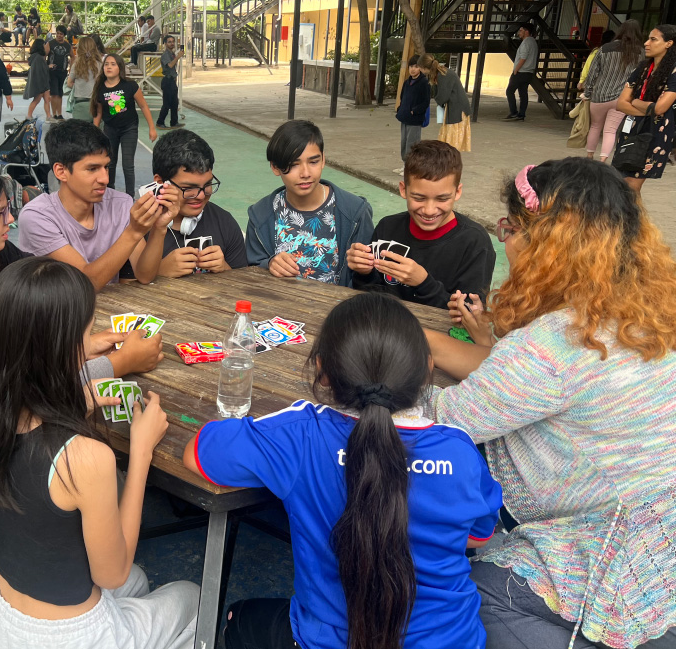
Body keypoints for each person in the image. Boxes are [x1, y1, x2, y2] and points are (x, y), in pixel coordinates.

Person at [425, 158, 676, 649]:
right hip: (661, 526)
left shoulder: (555, 342)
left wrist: (381, 364)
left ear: (548, 247)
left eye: (512, 228)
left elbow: (445, 420)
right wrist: (427, 341)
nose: (505, 240)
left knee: (463, 603)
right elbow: (511, 383)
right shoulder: (645, 312)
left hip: (613, 553)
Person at [183, 291, 502, 649]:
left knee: (237, 618)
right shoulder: (459, 450)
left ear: (322, 372)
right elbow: (478, 536)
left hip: (327, 640)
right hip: (452, 641)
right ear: (427, 370)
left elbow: (199, 455)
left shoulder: (302, 434)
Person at [0, 257, 199, 649]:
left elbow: (26, 422)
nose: (91, 347)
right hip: (74, 636)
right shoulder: (84, 458)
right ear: (61, 348)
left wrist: (80, 398)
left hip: (4, 617)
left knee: (140, 581)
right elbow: (112, 574)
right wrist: (140, 453)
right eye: (86, 335)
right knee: (190, 596)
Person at [0, 161, 163, 375]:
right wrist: (119, 362)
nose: (10, 220)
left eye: (8, 209)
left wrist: (82, 346)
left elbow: (61, 283)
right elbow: (24, 367)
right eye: (0, 212)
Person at [17, 119, 176, 291]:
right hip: (54, 313)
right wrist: (134, 232)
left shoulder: (120, 204)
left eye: (106, 167)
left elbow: (144, 276)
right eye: (92, 169)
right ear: (61, 171)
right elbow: (86, 283)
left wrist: (160, 228)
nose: (105, 179)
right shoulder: (37, 216)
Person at [347, 140, 495, 309]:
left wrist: (423, 283)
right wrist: (363, 272)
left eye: (442, 198)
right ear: (403, 190)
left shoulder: (475, 242)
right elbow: (370, 294)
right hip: (387, 329)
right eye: (419, 198)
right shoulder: (388, 227)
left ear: (458, 192)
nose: (429, 210)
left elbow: (469, 315)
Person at [245, 120, 373, 286]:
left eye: (313, 162)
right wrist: (268, 265)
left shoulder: (355, 212)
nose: (305, 173)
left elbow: (373, 282)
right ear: (275, 167)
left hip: (340, 310)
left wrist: (366, 270)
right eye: (293, 165)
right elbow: (250, 270)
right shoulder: (260, 216)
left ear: (323, 160)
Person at [151, 129, 246, 277]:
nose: (200, 196)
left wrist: (225, 269)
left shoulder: (225, 223)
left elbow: (244, 285)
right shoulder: (138, 226)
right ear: (160, 183)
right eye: (189, 188)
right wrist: (158, 272)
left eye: (207, 185)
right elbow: (122, 289)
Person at [616, 24, 676, 195]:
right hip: (632, 130)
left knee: (631, 185)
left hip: (655, 133)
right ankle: (635, 220)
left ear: (669, 43)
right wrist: (649, 109)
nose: (646, 43)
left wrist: (634, 101)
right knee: (625, 183)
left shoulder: (673, 71)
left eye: (653, 39)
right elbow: (621, 103)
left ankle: (632, 221)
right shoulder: (642, 68)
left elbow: (661, 107)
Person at [91, 53, 159, 197]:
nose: (109, 67)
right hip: (110, 130)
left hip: (129, 128)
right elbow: (98, 114)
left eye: (113, 64)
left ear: (120, 68)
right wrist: (94, 134)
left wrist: (152, 128)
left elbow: (144, 106)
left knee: (128, 164)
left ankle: (129, 196)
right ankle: (110, 192)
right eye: (106, 64)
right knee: (110, 162)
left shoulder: (130, 85)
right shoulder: (100, 89)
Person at [582, 20, 643, 161]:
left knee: (595, 126)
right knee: (611, 130)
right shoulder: (640, 52)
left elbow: (593, 73)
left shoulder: (605, 48)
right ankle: (603, 161)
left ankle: (589, 157)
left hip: (599, 95)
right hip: (621, 98)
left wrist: (587, 93)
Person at [421, 54, 472, 152]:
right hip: (455, 109)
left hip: (457, 111)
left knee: (451, 144)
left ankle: (451, 164)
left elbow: (442, 97)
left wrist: (436, 97)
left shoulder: (443, 75)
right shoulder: (441, 72)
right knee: (449, 142)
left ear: (425, 68)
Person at [396, 54, 431, 162]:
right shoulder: (407, 82)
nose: (413, 69)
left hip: (415, 119)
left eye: (416, 66)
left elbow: (426, 102)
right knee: (404, 142)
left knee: (412, 144)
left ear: (420, 68)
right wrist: (401, 109)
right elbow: (402, 97)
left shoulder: (424, 83)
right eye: (411, 66)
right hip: (404, 117)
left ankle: (411, 167)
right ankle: (405, 164)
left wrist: (414, 111)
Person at [505, 22, 538, 121]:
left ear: (526, 32)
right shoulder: (533, 42)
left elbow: (523, 58)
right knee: (523, 93)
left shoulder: (526, 43)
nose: (519, 33)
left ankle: (514, 112)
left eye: (521, 30)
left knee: (509, 91)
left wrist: (516, 70)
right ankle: (521, 114)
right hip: (529, 72)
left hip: (521, 72)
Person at [68, 36, 104, 122]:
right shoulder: (100, 64)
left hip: (81, 103)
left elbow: (69, 83)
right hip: (97, 102)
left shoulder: (76, 65)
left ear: (79, 49)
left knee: (81, 132)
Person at [157, 35, 184, 130]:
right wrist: (178, 57)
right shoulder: (166, 55)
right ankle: (160, 122)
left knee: (174, 103)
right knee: (167, 104)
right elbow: (170, 65)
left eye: (173, 41)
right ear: (165, 44)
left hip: (172, 81)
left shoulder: (171, 53)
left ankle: (174, 122)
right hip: (167, 81)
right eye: (169, 42)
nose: (172, 43)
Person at [46, 25, 73, 120]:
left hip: (63, 71)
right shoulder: (50, 43)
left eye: (61, 34)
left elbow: (73, 56)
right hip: (52, 72)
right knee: (54, 93)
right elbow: (43, 55)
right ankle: (54, 114)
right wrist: (47, 66)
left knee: (60, 93)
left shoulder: (67, 45)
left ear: (64, 35)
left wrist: (71, 68)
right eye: (57, 33)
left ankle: (59, 113)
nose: (59, 35)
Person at [23, 38, 52, 120]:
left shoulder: (36, 57)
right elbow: (41, 70)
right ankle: (29, 115)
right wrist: (48, 67)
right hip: (40, 83)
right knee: (37, 100)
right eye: (44, 45)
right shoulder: (39, 58)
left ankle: (49, 116)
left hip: (42, 82)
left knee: (47, 99)